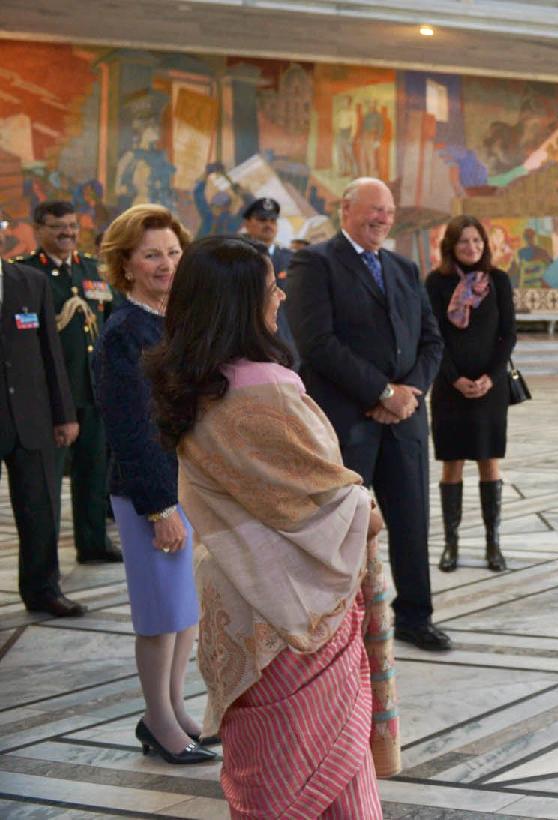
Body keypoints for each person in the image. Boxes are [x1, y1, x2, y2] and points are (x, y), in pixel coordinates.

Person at [146, 235, 382, 817]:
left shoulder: (190, 383)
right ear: (238, 305)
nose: (280, 295)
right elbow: (322, 497)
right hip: (298, 607)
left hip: (234, 590)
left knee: (266, 768)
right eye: (270, 286)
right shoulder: (268, 389)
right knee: (329, 767)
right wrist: (366, 508)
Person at [286, 177, 450, 651]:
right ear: (346, 209)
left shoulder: (404, 268)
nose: (383, 218)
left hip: (406, 423)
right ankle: (337, 624)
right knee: (341, 530)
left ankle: (416, 617)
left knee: (412, 524)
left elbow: (432, 340)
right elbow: (317, 343)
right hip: (347, 422)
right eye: (374, 209)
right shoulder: (314, 263)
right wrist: (381, 392)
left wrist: (408, 394)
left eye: (389, 211)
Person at [93, 204, 216, 765]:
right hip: (150, 493)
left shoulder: (177, 318)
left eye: (173, 252)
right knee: (160, 613)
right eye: (151, 255)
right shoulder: (124, 331)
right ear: (126, 264)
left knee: (184, 610)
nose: (166, 264)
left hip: (187, 484)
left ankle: (175, 708)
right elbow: (128, 428)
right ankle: (157, 721)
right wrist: (159, 507)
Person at [14, 200, 122, 565]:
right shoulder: (27, 273)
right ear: (39, 229)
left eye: (73, 226)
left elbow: (110, 324)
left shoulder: (92, 271)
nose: (68, 233)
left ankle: (93, 544)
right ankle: (45, 563)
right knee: (45, 484)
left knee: (93, 472)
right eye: (59, 226)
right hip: (48, 395)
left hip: (91, 388)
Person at [425, 216, 516, 573]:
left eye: (477, 241)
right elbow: (433, 335)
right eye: (463, 241)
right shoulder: (436, 283)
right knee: (452, 463)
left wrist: (491, 377)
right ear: (451, 245)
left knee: (489, 461)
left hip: (490, 388)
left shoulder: (498, 280)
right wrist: (455, 378)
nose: (471, 247)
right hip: (450, 388)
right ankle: (451, 544)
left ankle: (494, 544)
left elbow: (508, 334)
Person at [1, 230, 84, 617]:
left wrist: (64, 414)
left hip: (32, 417)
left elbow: (51, 352)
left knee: (40, 509)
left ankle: (43, 590)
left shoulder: (30, 281)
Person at [240, 197, 298, 367]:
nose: (268, 225)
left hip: (286, 345)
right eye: (262, 220)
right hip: (246, 344)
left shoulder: (292, 260)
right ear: (247, 223)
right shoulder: (237, 258)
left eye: (273, 221)